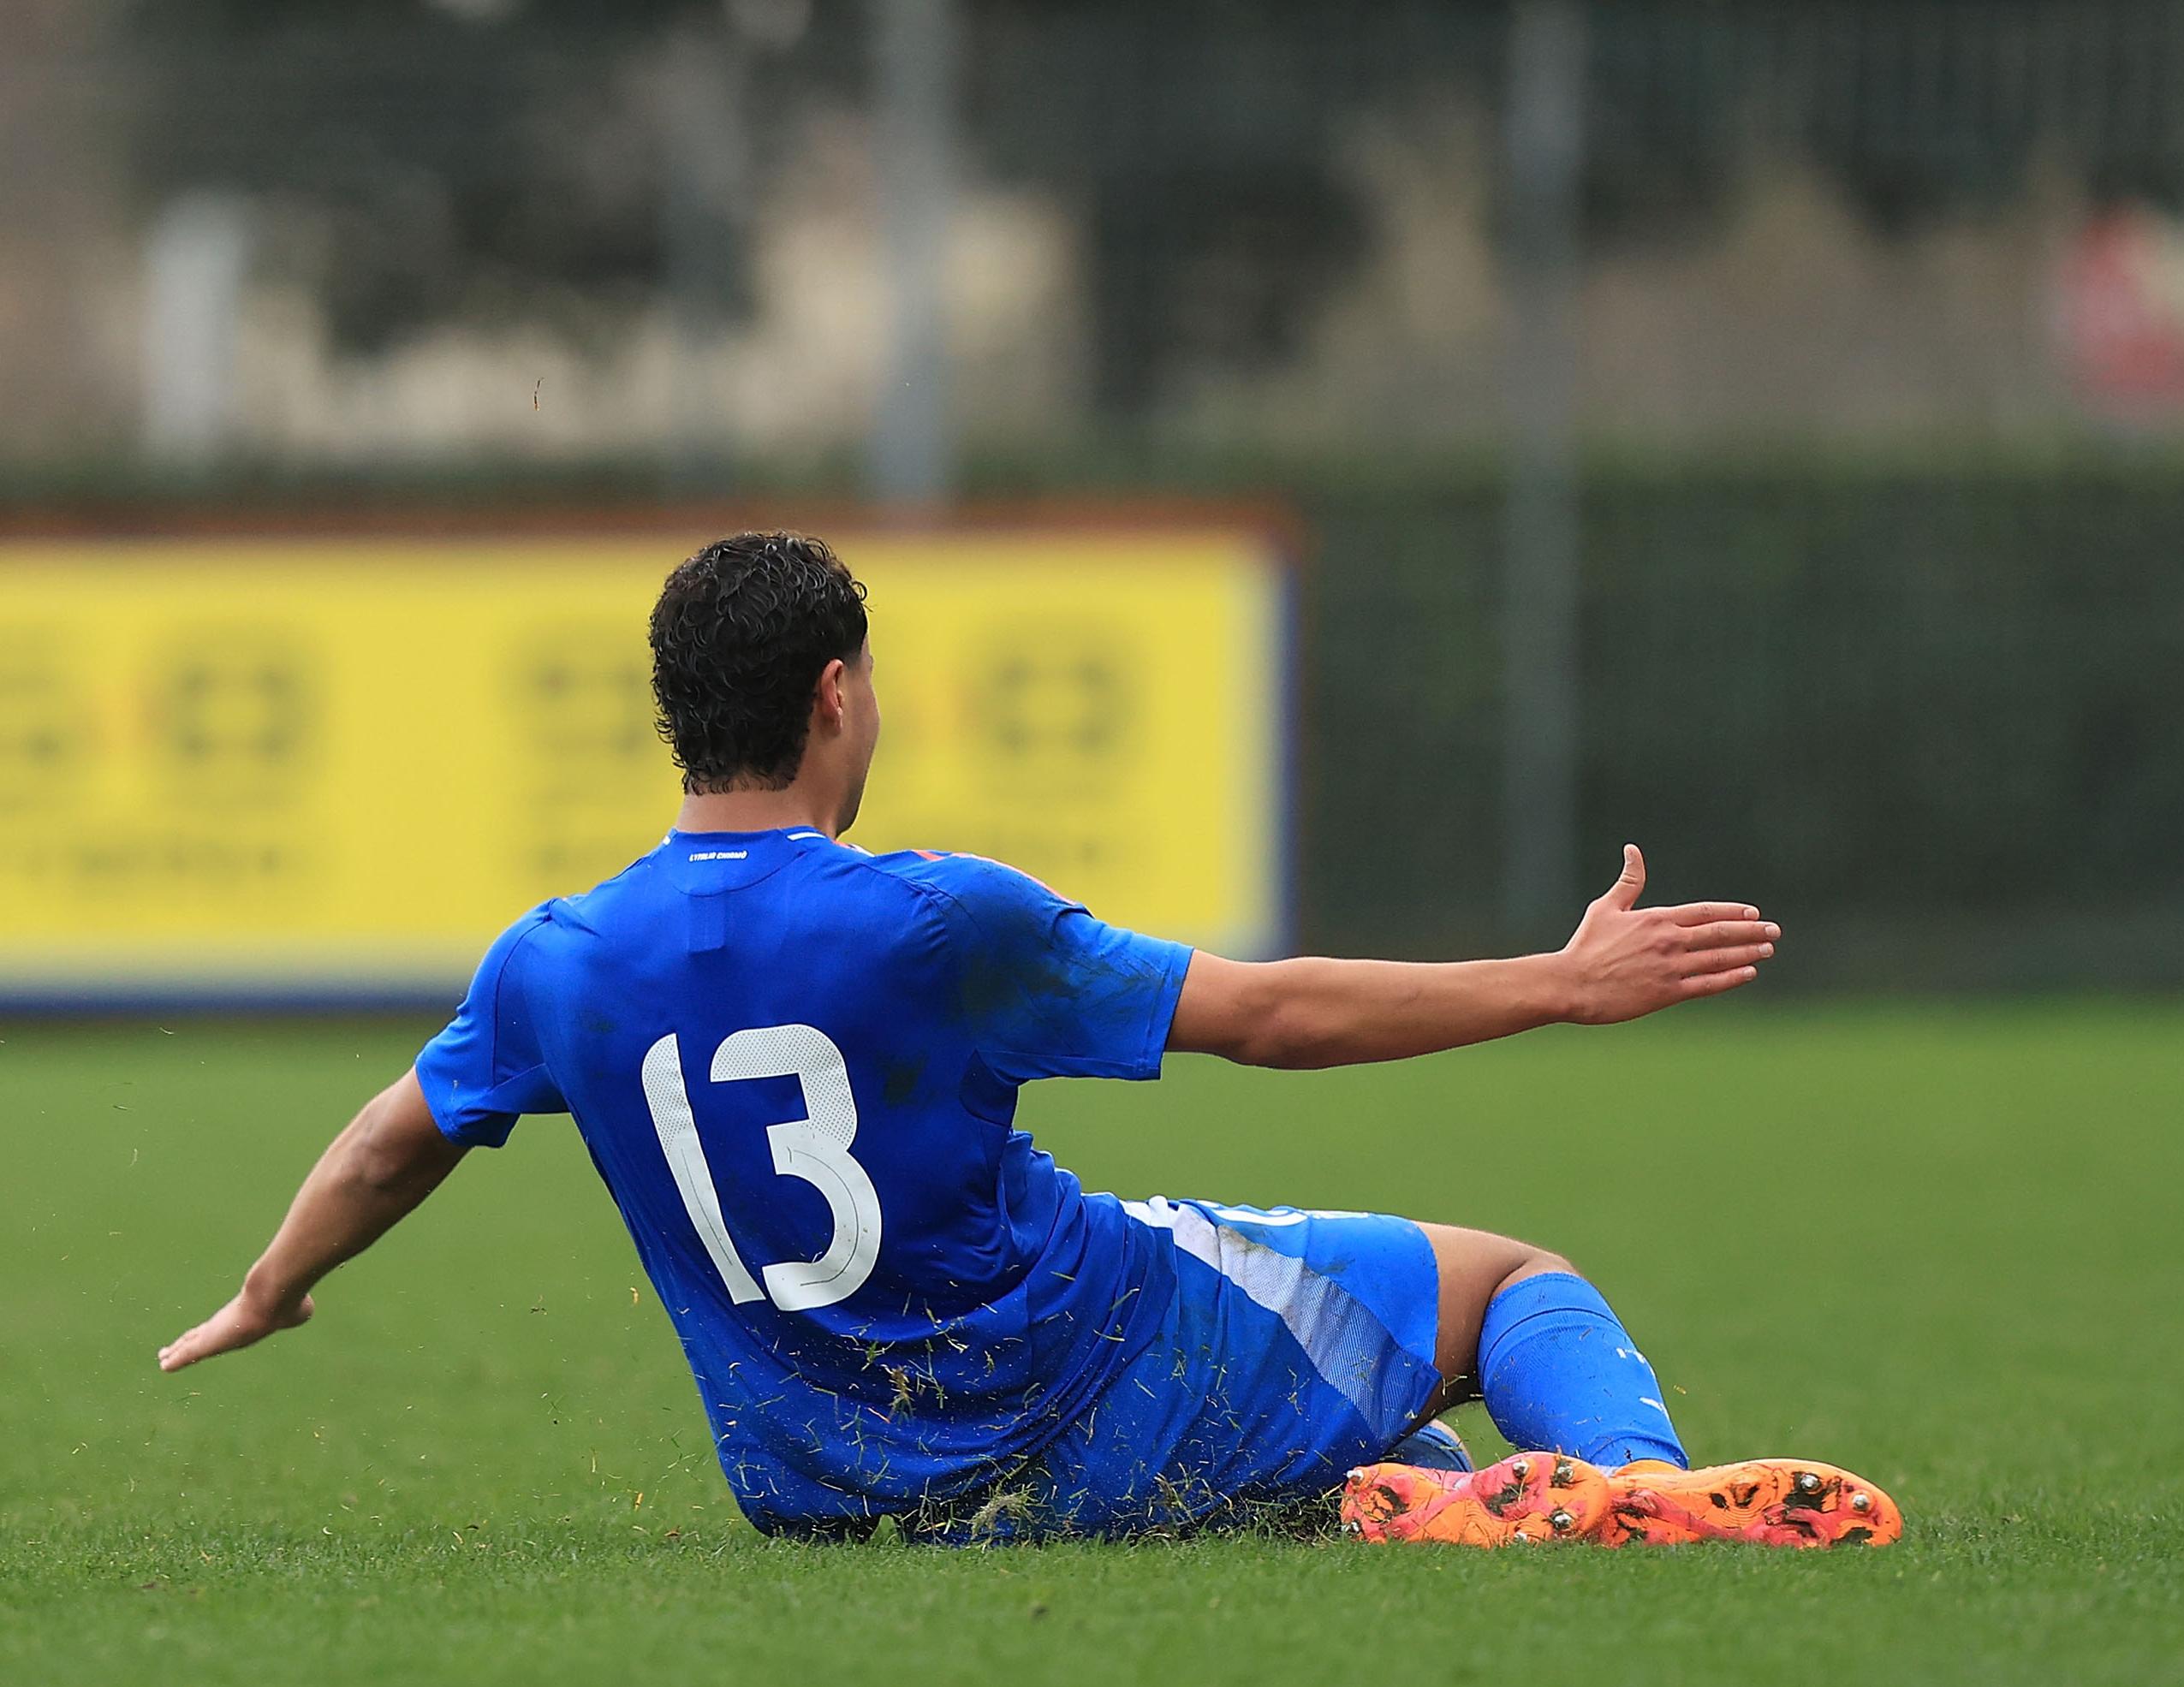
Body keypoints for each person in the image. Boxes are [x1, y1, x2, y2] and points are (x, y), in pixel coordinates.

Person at [158, 531, 1899, 1550]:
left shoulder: (558, 963)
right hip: (1089, 1382)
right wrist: (1556, 979)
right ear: (838, 691)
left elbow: (396, 1137)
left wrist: (266, 1290)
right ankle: (1644, 1503)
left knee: (1391, 1467)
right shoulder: (932, 919)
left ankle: (1433, 1504)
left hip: (828, 1485)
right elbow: (1269, 1016)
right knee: (1509, 1289)